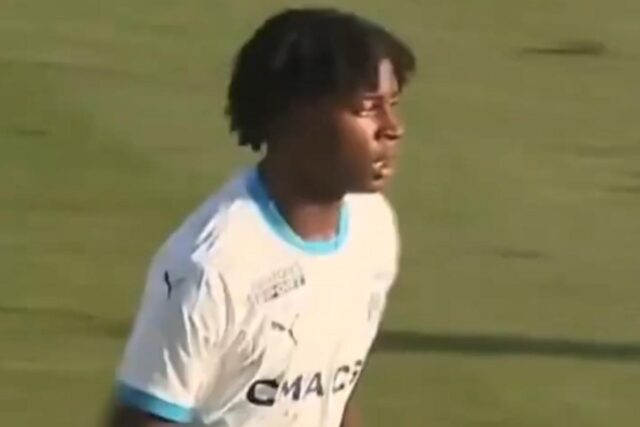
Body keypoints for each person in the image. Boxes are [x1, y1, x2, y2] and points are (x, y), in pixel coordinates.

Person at [106, 7, 416, 427]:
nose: (392, 127)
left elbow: (337, 387)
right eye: (367, 108)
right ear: (297, 116)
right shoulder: (210, 269)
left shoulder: (372, 227)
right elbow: (145, 419)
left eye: (392, 104)